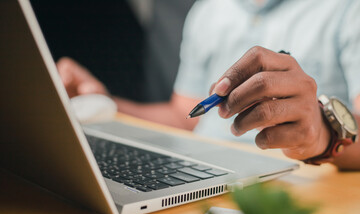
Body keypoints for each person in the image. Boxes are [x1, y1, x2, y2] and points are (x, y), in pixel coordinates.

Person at [57, 0, 360, 169]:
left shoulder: (348, 9)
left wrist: (321, 134)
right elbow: (183, 116)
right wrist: (102, 103)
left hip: (299, 184)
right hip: (202, 173)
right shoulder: (206, 11)